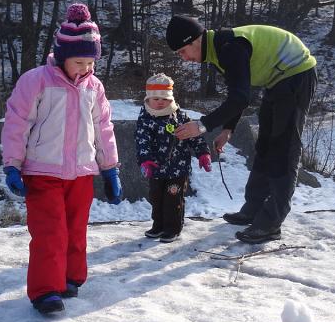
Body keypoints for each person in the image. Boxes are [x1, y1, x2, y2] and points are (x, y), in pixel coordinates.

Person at [1, 3, 123, 314]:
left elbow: (102, 127)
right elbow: (17, 123)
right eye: (79, 61)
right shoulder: (37, 81)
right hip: (43, 172)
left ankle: (70, 278)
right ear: (62, 55)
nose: (86, 68)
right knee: (50, 232)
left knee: (75, 228)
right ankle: (45, 290)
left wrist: (110, 169)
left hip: (81, 172)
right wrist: (12, 165)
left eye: (91, 62)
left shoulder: (94, 87)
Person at [166, 17, 317, 244]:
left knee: (284, 149)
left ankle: (270, 224)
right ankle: (253, 210)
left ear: (196, 40)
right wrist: (228, 128)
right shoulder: (217, 50)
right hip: (277, 81)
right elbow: (237, 94)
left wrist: (201, 126)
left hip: (297, 75)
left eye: (183, 51)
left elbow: (240, 97)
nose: (184, 58)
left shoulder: (230, 48)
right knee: (265, 145)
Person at [135, 73, 212, 243]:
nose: (160, 102)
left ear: (171, 98)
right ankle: (159, 225)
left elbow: (195, 136)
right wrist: (145, 160)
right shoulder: (145, 120)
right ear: (148, 99)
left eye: (165, 98)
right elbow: (142, 142)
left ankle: (172, 228)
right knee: (157, 197)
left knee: (173, 198)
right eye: (155, 98)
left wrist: (203, 153)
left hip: (178, 168)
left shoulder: (180, 117)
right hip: (155, 169)